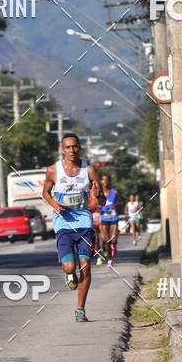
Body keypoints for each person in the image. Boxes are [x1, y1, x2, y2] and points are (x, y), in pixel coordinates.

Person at [42, 133, 105, 322]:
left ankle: (80, 310)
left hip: (84, 223)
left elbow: (101, 201)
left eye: (75, 147)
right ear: (62, 149)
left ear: (80, 148)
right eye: (68, 147)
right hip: (63, 224)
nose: (72, 150)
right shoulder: (54, 170)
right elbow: (45, 192)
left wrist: (98, 193)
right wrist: (54, 205)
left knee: (85, 267)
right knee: (70, 267)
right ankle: (68, 272)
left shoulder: (89, 170)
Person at [99, 173, 121, 267]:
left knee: (114, 239)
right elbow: (95, 202)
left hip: (113, 217)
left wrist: (115, 205)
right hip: (104, 217)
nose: (105, 181)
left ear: (108, 181)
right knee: (105, 240)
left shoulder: (114, 192)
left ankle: (114, 246)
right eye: (103, 179)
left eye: (106, 179)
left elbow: (121, 201)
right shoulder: (99, 193)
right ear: (101, 181)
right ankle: (110, 259)